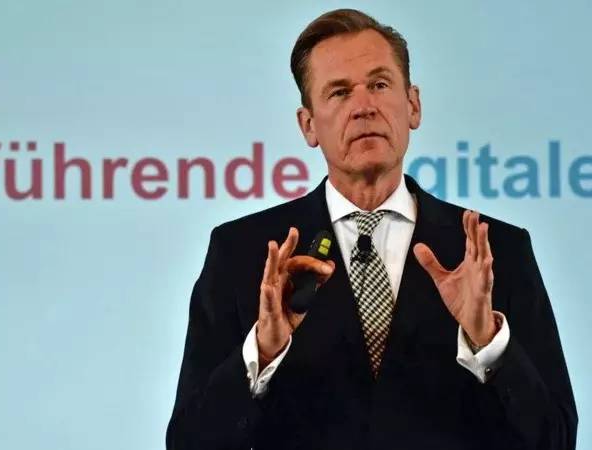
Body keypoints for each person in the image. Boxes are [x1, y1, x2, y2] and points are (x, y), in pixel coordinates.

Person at [166, 8, 577, 450]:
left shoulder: (495, 251)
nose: (364, 107)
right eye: (340, 92)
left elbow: (554, 439)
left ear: (413, 105)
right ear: (309, 125)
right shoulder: (243, 253)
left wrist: (489, 343)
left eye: (380, 85)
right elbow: (189, 442)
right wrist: (262, 352)